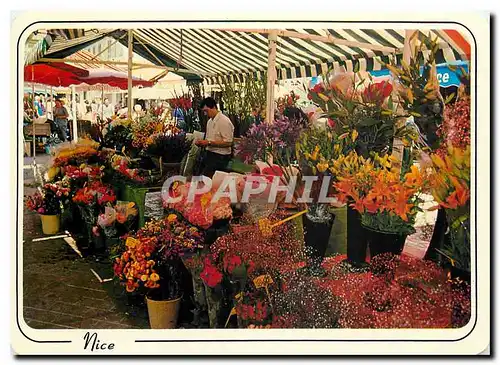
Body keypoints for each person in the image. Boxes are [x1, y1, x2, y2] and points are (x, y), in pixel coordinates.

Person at [195, 97, 234, 178]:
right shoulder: (210, 122)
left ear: (213, 107)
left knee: (206, 178)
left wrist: (209, 142)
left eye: (206, 111)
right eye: (204, 112)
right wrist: (202, 143)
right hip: (209, 154)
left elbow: (228, 142)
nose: (205, 114)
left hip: (220, 157)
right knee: (198, 173)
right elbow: (209, 139)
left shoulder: (224, 121)